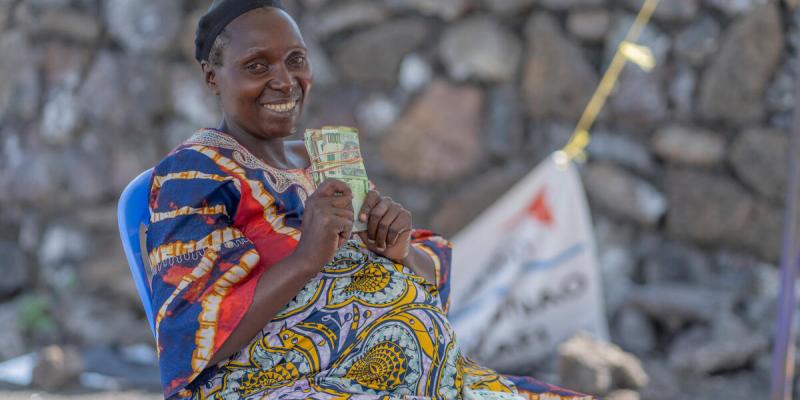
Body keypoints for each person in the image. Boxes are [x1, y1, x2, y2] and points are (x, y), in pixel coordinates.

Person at [146, 1, 594, 399]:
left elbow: (425, 282)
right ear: (212, 76)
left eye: (295, 60)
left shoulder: (322, 159)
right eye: (257, 66)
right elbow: (192, 333)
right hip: (275, 384)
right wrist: (306, 257)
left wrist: (398, 250)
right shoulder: (193, 175)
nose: (285, 82)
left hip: (422, 377)